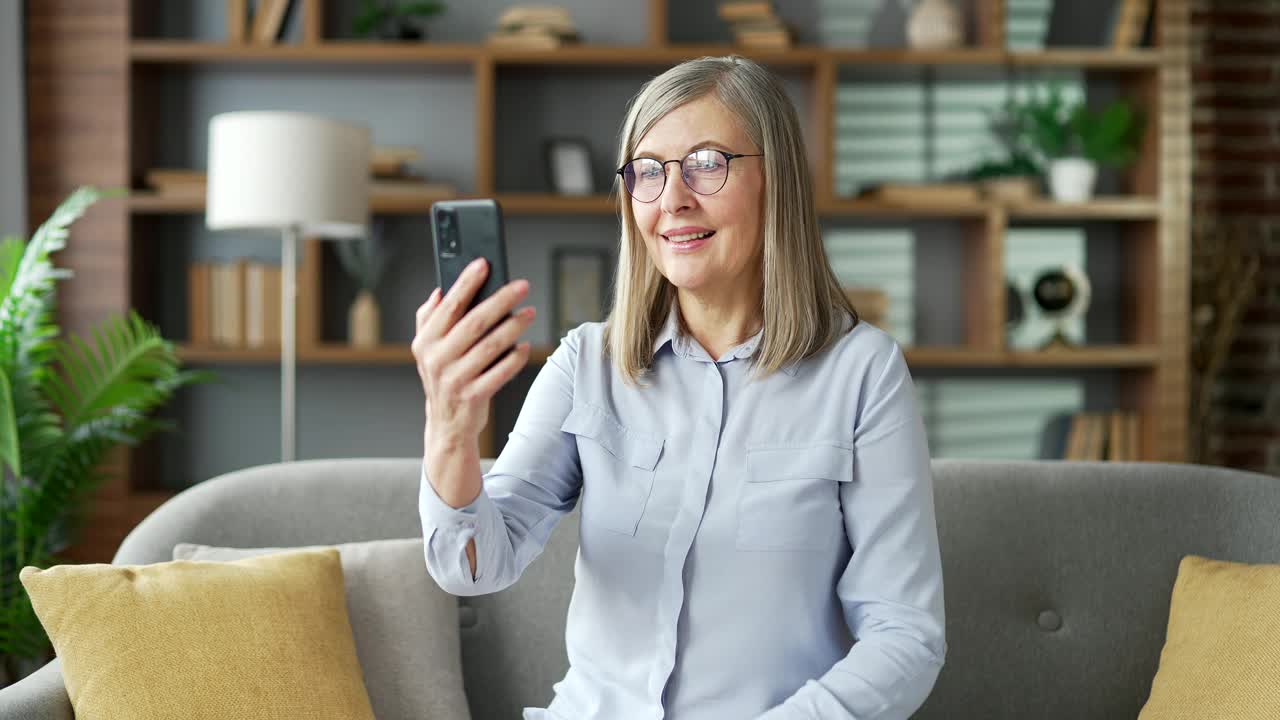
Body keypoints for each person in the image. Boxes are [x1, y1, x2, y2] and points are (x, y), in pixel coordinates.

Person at [413, 55, 946, 720]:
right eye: (648, 171)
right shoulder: (588, 363)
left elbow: (905, 635)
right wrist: (449, 431)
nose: (672, 200)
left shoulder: (863, 374)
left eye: (706, 163)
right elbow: (472, 566)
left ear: (773, 179)